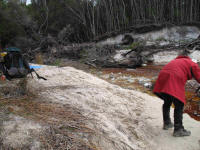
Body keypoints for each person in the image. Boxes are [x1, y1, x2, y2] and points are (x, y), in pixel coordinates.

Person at [153, 49, 200, 137]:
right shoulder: (192, 63)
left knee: (167, 101)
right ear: (189, 57)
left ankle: (167, 123)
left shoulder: (175, 61)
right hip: (174, 79)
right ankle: (178, 130)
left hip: (163, 78)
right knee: (179, 103)